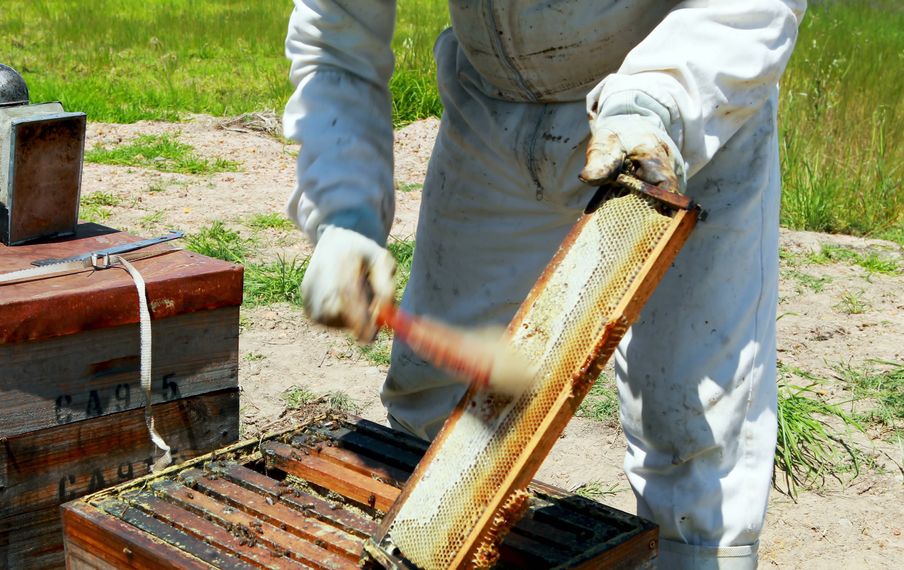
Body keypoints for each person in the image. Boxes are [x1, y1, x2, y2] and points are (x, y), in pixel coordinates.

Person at [282, 1, 805, 568]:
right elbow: (338, 38)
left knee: (694, 434)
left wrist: (658, 100)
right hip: (491, 112)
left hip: (688, 103)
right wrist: (343, 209)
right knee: (437, 405)